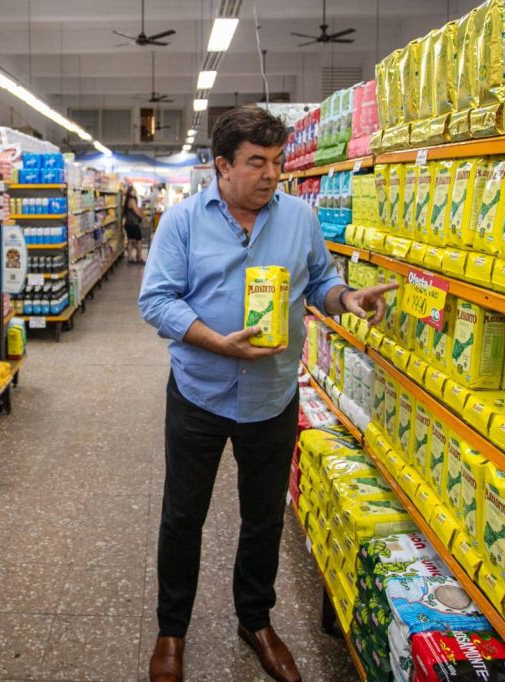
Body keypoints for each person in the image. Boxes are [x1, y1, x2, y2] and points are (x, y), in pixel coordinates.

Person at [138, 105, 396, 682]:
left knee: (263, 519)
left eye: (277, 162)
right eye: (257, 162)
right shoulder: (181, 222)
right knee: (183, 516)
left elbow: (321, 280)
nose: (271, 174)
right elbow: (156, 301)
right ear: (221, 165)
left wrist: (344, 299)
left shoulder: (300, 218)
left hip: (272, 397)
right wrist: (217, 343)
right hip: (200, 393)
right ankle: (171, 631)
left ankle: (255, 620)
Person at [124, 185, 146, 264]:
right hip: (133, 224)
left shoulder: (128, 200)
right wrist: (143, 217)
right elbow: (136, 211)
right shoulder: (132, 200)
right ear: (129, 192)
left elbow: (135, 209)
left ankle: (130, 259)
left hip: (128, 223)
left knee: (130, 240)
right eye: (133, 190)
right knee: (139, 240)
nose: (134, 192)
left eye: (135, 190)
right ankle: (139, 258)